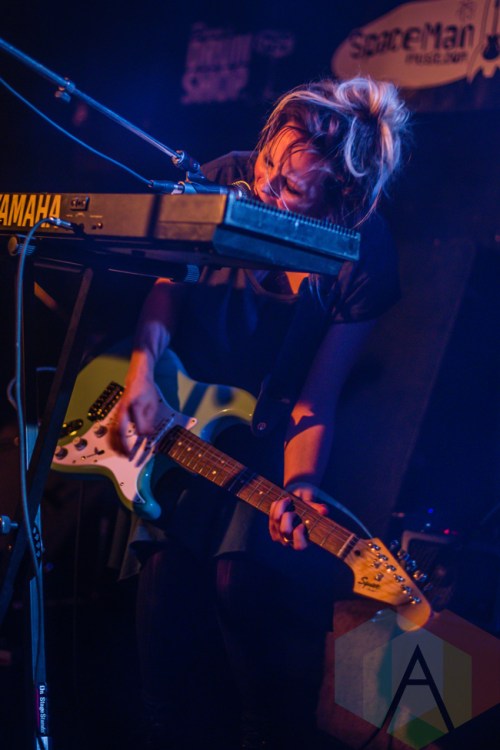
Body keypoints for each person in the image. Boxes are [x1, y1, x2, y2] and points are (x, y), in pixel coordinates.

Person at [111, 77, 409, 749]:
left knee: (241, 587)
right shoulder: (226, 180)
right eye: (268, 163)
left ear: (341, 199)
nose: (263, 187)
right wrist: (141, 375)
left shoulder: (365, 251)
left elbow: (316, 396)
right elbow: (168, 288)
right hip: (178, 411)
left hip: (270, 433)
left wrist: (300, 486)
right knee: (165, 582)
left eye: (290, 189)